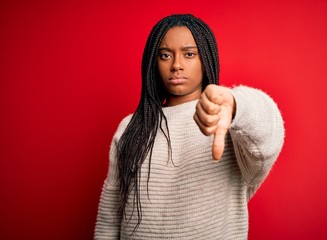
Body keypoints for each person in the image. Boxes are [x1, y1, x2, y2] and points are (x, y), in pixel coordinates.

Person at [94, 14, 284, 239]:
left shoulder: (229, 122)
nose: (176, 65)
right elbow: (110, 214)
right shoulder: (130, 127)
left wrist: (235, 105)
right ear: (153, 63)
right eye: (165, 55)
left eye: (189, 54)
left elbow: (268, 136)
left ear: (206, 59)